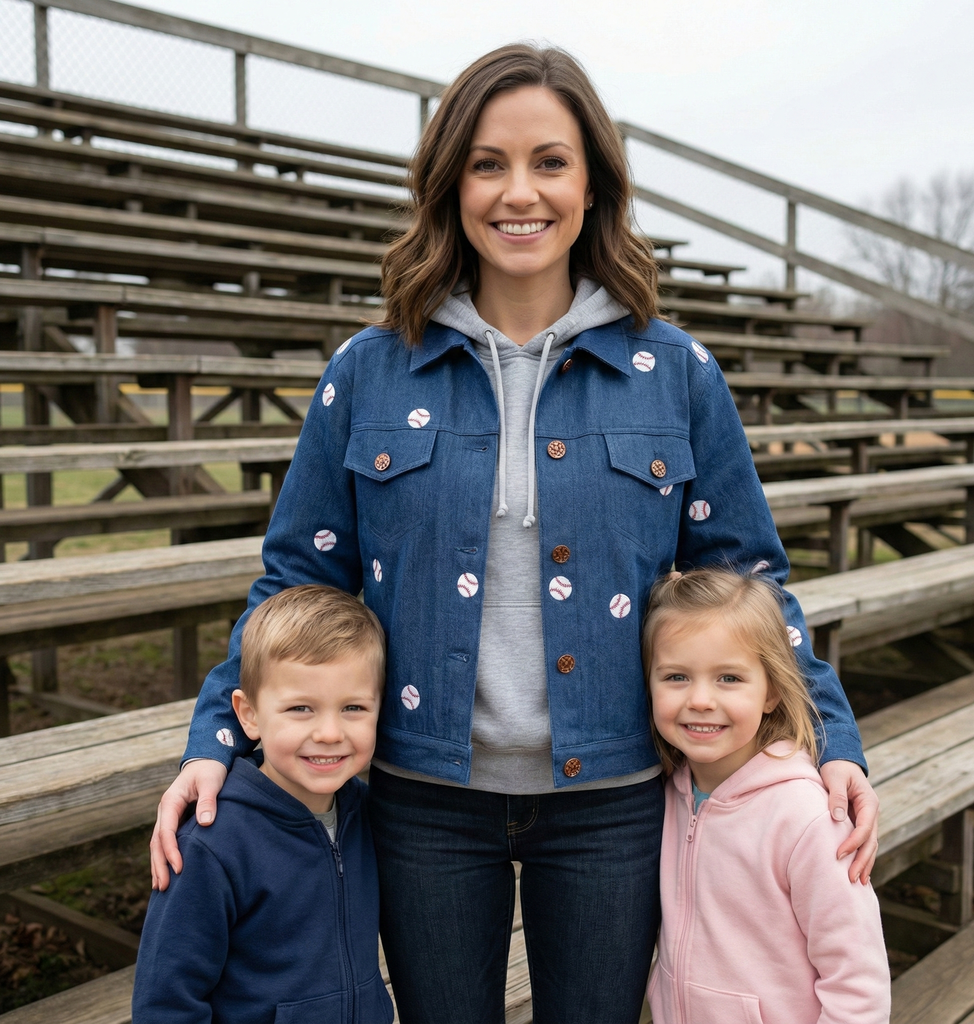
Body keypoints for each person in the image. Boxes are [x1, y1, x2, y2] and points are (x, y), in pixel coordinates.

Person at [150, 44, 880, 1024]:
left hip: (612, 794)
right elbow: (296, 579)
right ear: (450, 183)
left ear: (592, 184)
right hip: (423, 794)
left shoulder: (676, 372)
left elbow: (746, 578)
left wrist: (831, 738)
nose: (518, 192)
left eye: (549, 161)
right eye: (488, 163)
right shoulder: (368, 371)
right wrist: (215, 737)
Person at [133, 586, 393, 1024]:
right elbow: (167, 1001)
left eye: (353, 707)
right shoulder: (211, 845)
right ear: (248, 714)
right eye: (300, 709)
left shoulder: (368, 815)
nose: (329, 732)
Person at [643, 568, 890, 1024]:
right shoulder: (666, 792)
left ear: (772, 690)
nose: (700, 699)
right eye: (676, 676)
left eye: (729, 679)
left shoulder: (808, 817)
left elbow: (857, 979)